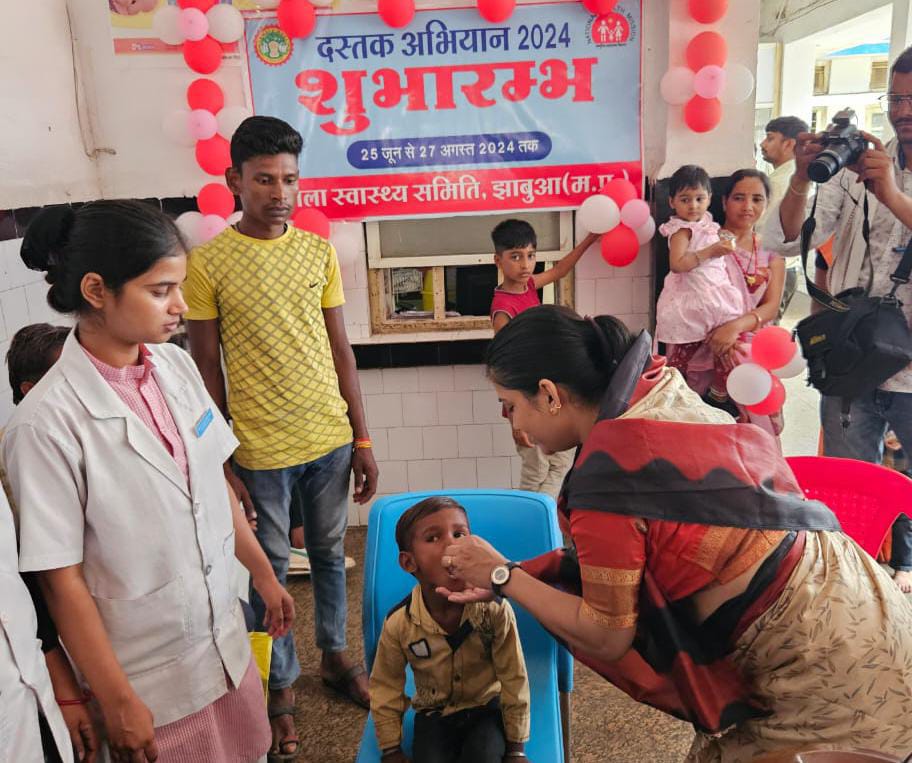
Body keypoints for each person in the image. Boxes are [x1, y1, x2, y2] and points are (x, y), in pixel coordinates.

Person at [437, 306, 912, 761]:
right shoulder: (655, 386)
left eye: (510, 407)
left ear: (549, 393)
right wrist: (519, 573)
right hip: (854, 591)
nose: (514, 425)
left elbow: (606, 636)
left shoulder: (609, 482)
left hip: (824, 660)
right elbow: (635, 553)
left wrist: (503, 576)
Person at [3, 200, 296, 762]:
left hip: (222, 642)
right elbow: (59, 578)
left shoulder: (176, 368)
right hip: (146, 677)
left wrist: (263, 574)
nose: (180, 307)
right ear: (95, 290)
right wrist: (114, 699)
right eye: (160, 290)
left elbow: (212, 487)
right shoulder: (44, 424)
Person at [183, 115, 379, 757]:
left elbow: (341, 349)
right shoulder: (207, 265)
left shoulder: (317, 251)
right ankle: (280, 685)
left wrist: (363, 438)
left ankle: (335, 657)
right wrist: (222, 457)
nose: (280, 193)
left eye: (290, 179)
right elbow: (205, 367)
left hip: (326, 437)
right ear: (234, 180)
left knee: (327, 556)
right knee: (266, 569)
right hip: (259, 451)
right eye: (264, 179)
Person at [764, 45, 912, 593]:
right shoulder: (856, 167)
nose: (903, 109)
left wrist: (891, 194)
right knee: (852, 497)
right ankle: (855, 594)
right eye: (896, 97)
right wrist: (803, 178)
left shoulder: (882, 178)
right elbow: (782, 239)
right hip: (852, 363)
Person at [369, 496, 530, 763]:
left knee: (485, 757)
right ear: (409, 563)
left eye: (459, 534)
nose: (452, 545)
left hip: (485, 709)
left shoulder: (495, 610)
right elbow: (385, 685)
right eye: (433, 538)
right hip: (434, 714)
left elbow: (514, 676)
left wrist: (516, 748)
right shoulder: (400, 623)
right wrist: (391, 748)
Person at [3, 323, 100, 763]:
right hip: (56, 638)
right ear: (29, 388)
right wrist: (55, 661)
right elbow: (33, 576)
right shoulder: (23, 450)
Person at [490, 218, 597, 497]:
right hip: (526, 399)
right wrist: (514, 421)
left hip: (548, 389)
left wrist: (589, 239)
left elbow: (561, 269)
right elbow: (504, 366)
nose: (525, 264)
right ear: (497, 260)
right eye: (515, 256)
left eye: (530, 255)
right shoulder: (503, 308)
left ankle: (543, 517)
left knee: (560, 461)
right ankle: (528, 524)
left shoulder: (528, 286)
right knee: (535, 468)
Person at [655, 165, 745, 416]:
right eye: (685, 200)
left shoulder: (708, 224)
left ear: (709, 199)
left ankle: (718, 395)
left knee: (725, 353)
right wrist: (710, 251)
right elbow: (677, 264)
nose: (693, 206)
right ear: (672, 202)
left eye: (699, 199)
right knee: (681, 360)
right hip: (689, 307)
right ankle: (675, 398)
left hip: (716, 302)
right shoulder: (681, 230)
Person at [759, 116, 810, 320]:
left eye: (770, 139)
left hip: (774, 268)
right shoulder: (783, 177)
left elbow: (762, 228)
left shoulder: (783, 182)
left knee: (765, 328)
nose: (763, 144)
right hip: (781, 266)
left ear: (789, 144)